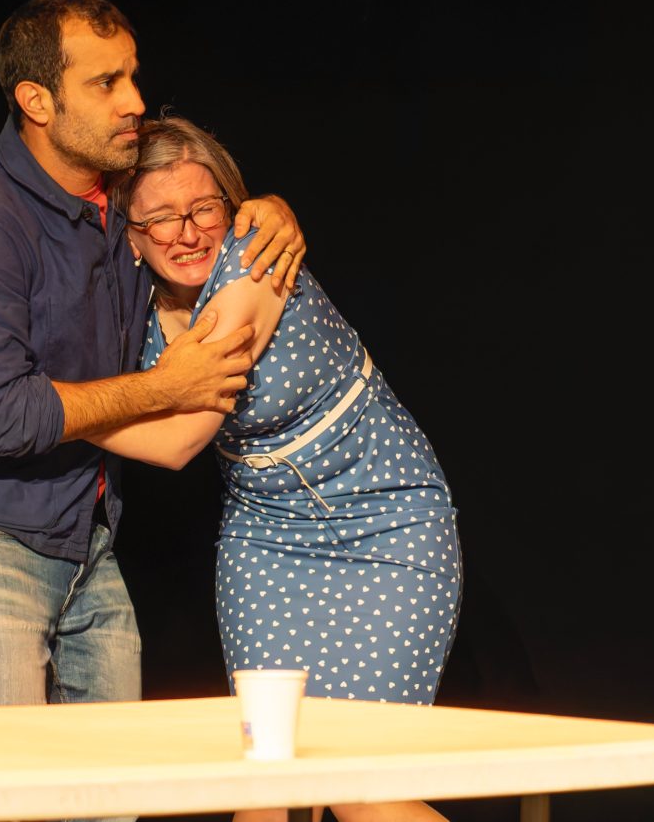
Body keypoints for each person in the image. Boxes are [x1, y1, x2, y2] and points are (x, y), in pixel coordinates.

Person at [0, 0, 306, 720]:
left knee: (112, 775)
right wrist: (164, 387)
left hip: (86, 542)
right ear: (37, 101)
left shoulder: (118, 191)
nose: (134, 100)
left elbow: (193, 200)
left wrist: (265, 208)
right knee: (8, 775)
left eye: (131, 75)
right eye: (106, 83)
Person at [90, 117, 462, 822]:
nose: (187, 233)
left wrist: (46, 413)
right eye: (160, 217)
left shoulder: (252, 262)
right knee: (266, 778)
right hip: (265, 537)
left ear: (231, 209)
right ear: (131, 236)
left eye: (203, 208)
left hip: (384, 520)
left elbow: (178, 439)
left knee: (357, 782)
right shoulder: (129, 310)